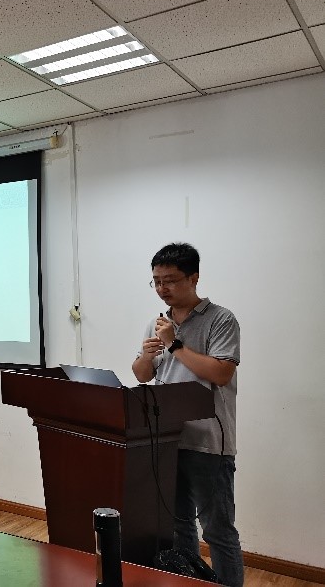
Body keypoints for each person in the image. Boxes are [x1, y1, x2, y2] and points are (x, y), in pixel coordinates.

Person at [132, 243, 243, 586]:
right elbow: (142, 375)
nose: (162, 288)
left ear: (194, 278)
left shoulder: (221, 319)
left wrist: (175, 345)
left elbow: (221, 373)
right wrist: (147, 355)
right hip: (166, 439)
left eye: (170, 280)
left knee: (218, 531)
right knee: (177, 525)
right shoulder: (158, 323)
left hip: (208, 442)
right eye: (156, 281)